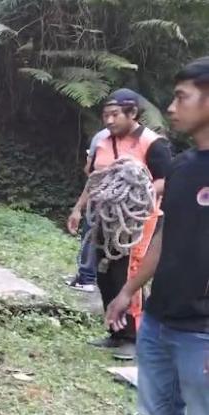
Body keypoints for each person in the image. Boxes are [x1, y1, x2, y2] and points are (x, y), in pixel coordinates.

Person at [106, 56, 209, 415]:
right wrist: (128, 291)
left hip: (202, 329)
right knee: (162, 413)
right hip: (162, 319)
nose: (170, 107)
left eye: (182, 97)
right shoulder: (185, 168)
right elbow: (164, 239)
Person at [68, 88, 172, 360]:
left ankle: (134, 336)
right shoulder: (103, 142)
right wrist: (78, 209)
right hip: (105, 219)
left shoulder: (152, 144)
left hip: (138, 222)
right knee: (104, 273)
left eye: (115, 115)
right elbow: (97, 180)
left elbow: (165, 180)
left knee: (129, 274)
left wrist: (136, 190)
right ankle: (116, 332)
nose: (109, 121)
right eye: (106, 115)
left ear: (132, 114)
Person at [64, 128, 111, 293]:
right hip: (124, 203)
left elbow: (90, 171)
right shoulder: (146, 138)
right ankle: (98, 278)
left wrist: (78, 208)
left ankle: (86, 278)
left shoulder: (102, 136)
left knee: (90, 235)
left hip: (100, 196)